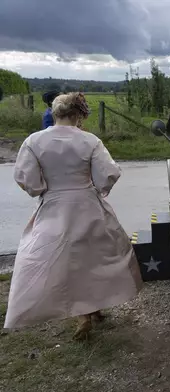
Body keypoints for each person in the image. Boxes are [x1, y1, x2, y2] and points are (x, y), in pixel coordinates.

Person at [4, 92, 143, 340]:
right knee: (94, 258)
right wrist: (99, 188)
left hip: (54, 205)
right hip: (87, 204)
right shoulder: (89, 141)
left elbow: (27, 179)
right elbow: (108, 173)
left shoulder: (34, 142)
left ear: (56, 114)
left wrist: (44, 189)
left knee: (62, 262)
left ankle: (84, 312)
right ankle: (91, 308)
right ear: (78, 115)